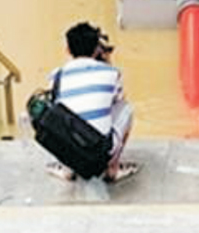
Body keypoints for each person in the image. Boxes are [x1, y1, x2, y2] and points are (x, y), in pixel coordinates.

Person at [46, 22, 139, 183]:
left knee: (58, 116)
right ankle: (112, 169)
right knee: (126, 109)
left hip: (68, 151)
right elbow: (117, 101)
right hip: (99, 152)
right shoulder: (111, 73)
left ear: (67, 49)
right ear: (97, 49)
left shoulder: (57, 76)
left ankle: (67, 168)